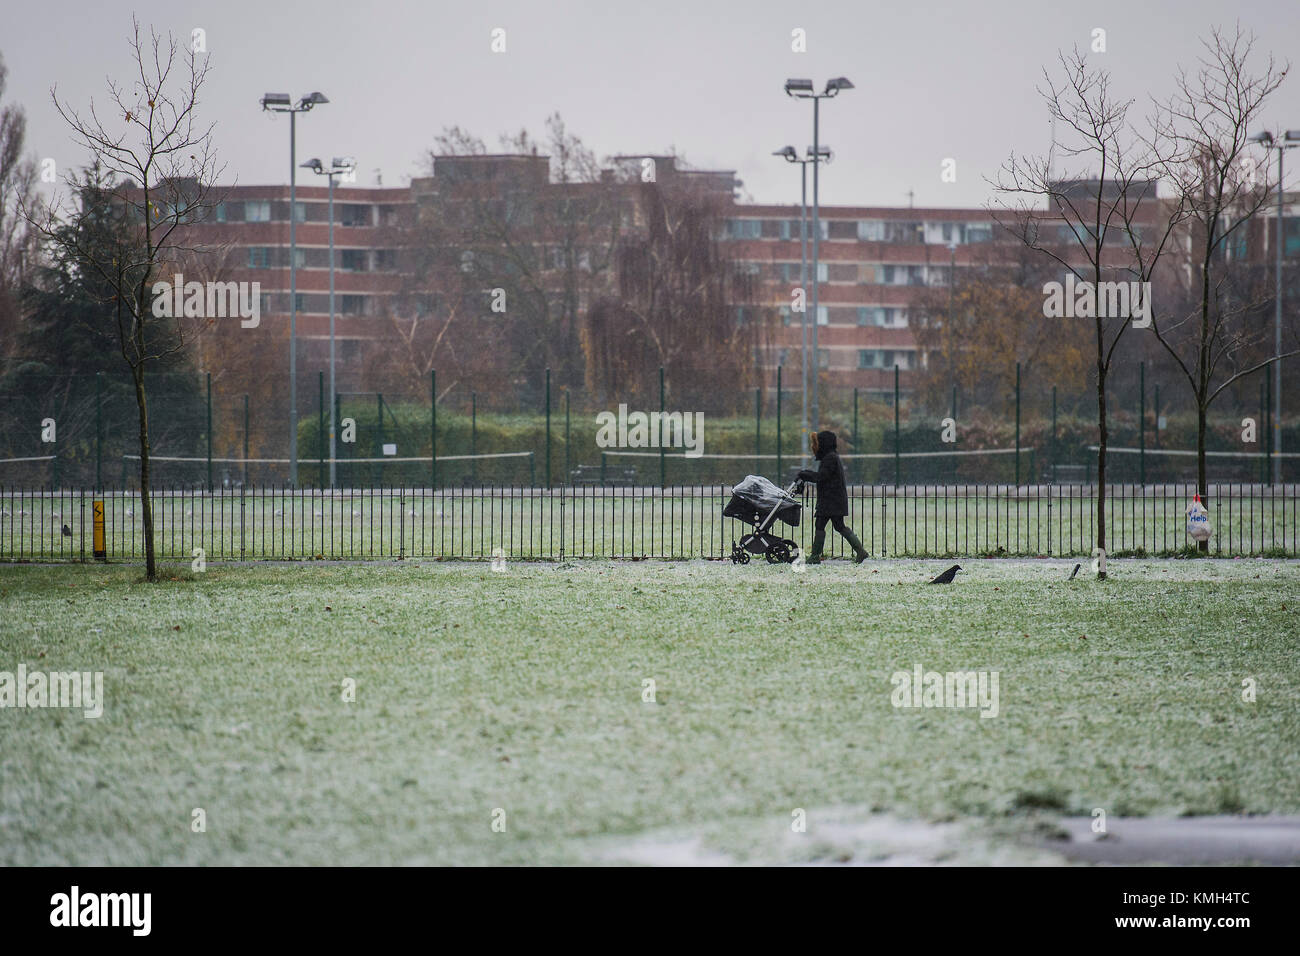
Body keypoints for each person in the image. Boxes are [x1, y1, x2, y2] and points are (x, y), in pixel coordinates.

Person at [796, 430, 867, 564]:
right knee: (838, 526)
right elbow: (823, 476)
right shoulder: (831, 457)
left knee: (823, 525)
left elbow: (821, 477)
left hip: (830, 500)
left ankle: (815, 556)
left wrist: (805, 474)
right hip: (834, 499)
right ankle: (860, 551)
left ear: (823, 444)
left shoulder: (830, 458)